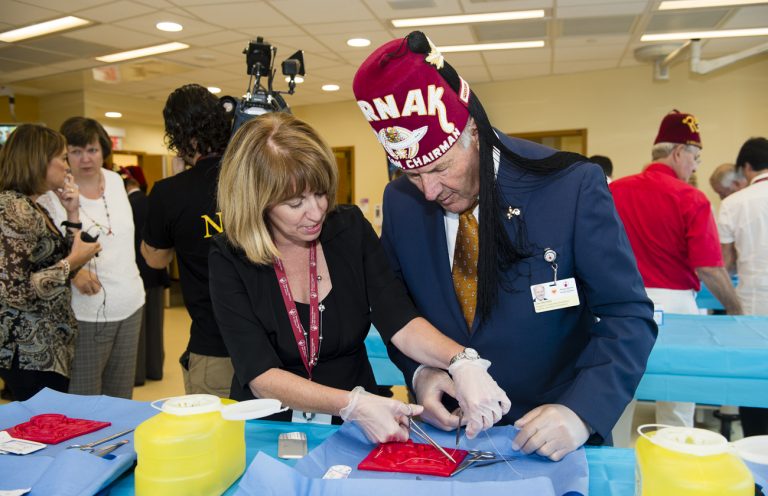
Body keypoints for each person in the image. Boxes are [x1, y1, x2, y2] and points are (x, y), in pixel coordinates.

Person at [353, 32, 656, 460]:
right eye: (413, 174)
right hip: (448, 438)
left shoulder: (567, 186)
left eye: (439, 168)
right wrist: (421, 372)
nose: (428, 190)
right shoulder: (401, 202)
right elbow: (395, 309)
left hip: (550, 434)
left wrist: (581, 413)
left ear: (473, 131)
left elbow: (627, 315)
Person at [208, 112, 510, 443]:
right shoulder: (230, 258)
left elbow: (399, 319)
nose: (316, 212)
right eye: (295, 203)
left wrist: (462, 361)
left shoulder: (348, 229)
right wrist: (352, 404)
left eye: (320, 193)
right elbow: (260, 375)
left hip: (359, 429)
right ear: (257, 203)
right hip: (270, 427)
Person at [610, 110, 743, 429]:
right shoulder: (691, 198)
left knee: (617, 398)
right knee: (678, 404)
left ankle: (616, 474)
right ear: (679, 152)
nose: (696, 165)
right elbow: (709, 268)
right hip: (677, 309)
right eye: (695, 156)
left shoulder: (616, 191)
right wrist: (738, 310)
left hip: (623, 306)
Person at [39, 117, 144, 399]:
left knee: (121, 396)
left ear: (103, 151)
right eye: (75, 151)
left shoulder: (115, 182)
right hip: (85, 312)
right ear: (65, 155)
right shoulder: (51, 196)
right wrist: (74, 272)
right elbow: (42, 252)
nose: (85, 158)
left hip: (131, 302)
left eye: (92, 150)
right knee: (84, 398)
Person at [141, 84, 234, 397]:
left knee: (216, 442)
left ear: (178, 137)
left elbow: (155, 259)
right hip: (276, 346)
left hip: (214, 347)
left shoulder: (169, 193)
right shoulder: (256, 178)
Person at [0, 124, 100, 400]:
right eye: (63, 158)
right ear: (39, 160)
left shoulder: (33, 205)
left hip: (47, 345)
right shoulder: (14, 208)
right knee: (43, 427)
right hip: (29, 350)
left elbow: (61, 257)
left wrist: (73, 213)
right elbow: (15, 291)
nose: (68, 167)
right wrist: (72, 262)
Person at [717, 137, 768, 436]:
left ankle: (756, 453)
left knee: (754, 382)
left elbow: (724, 262)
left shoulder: (734, 203)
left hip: (752, 302)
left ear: (746, 167)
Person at [118, 166, 169, 385]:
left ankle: (137, 375)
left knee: (138, 330)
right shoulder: (150, 201)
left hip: (135, 272)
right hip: (155, 271)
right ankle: (155, 369)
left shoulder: (125, 205)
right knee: (155, 326)